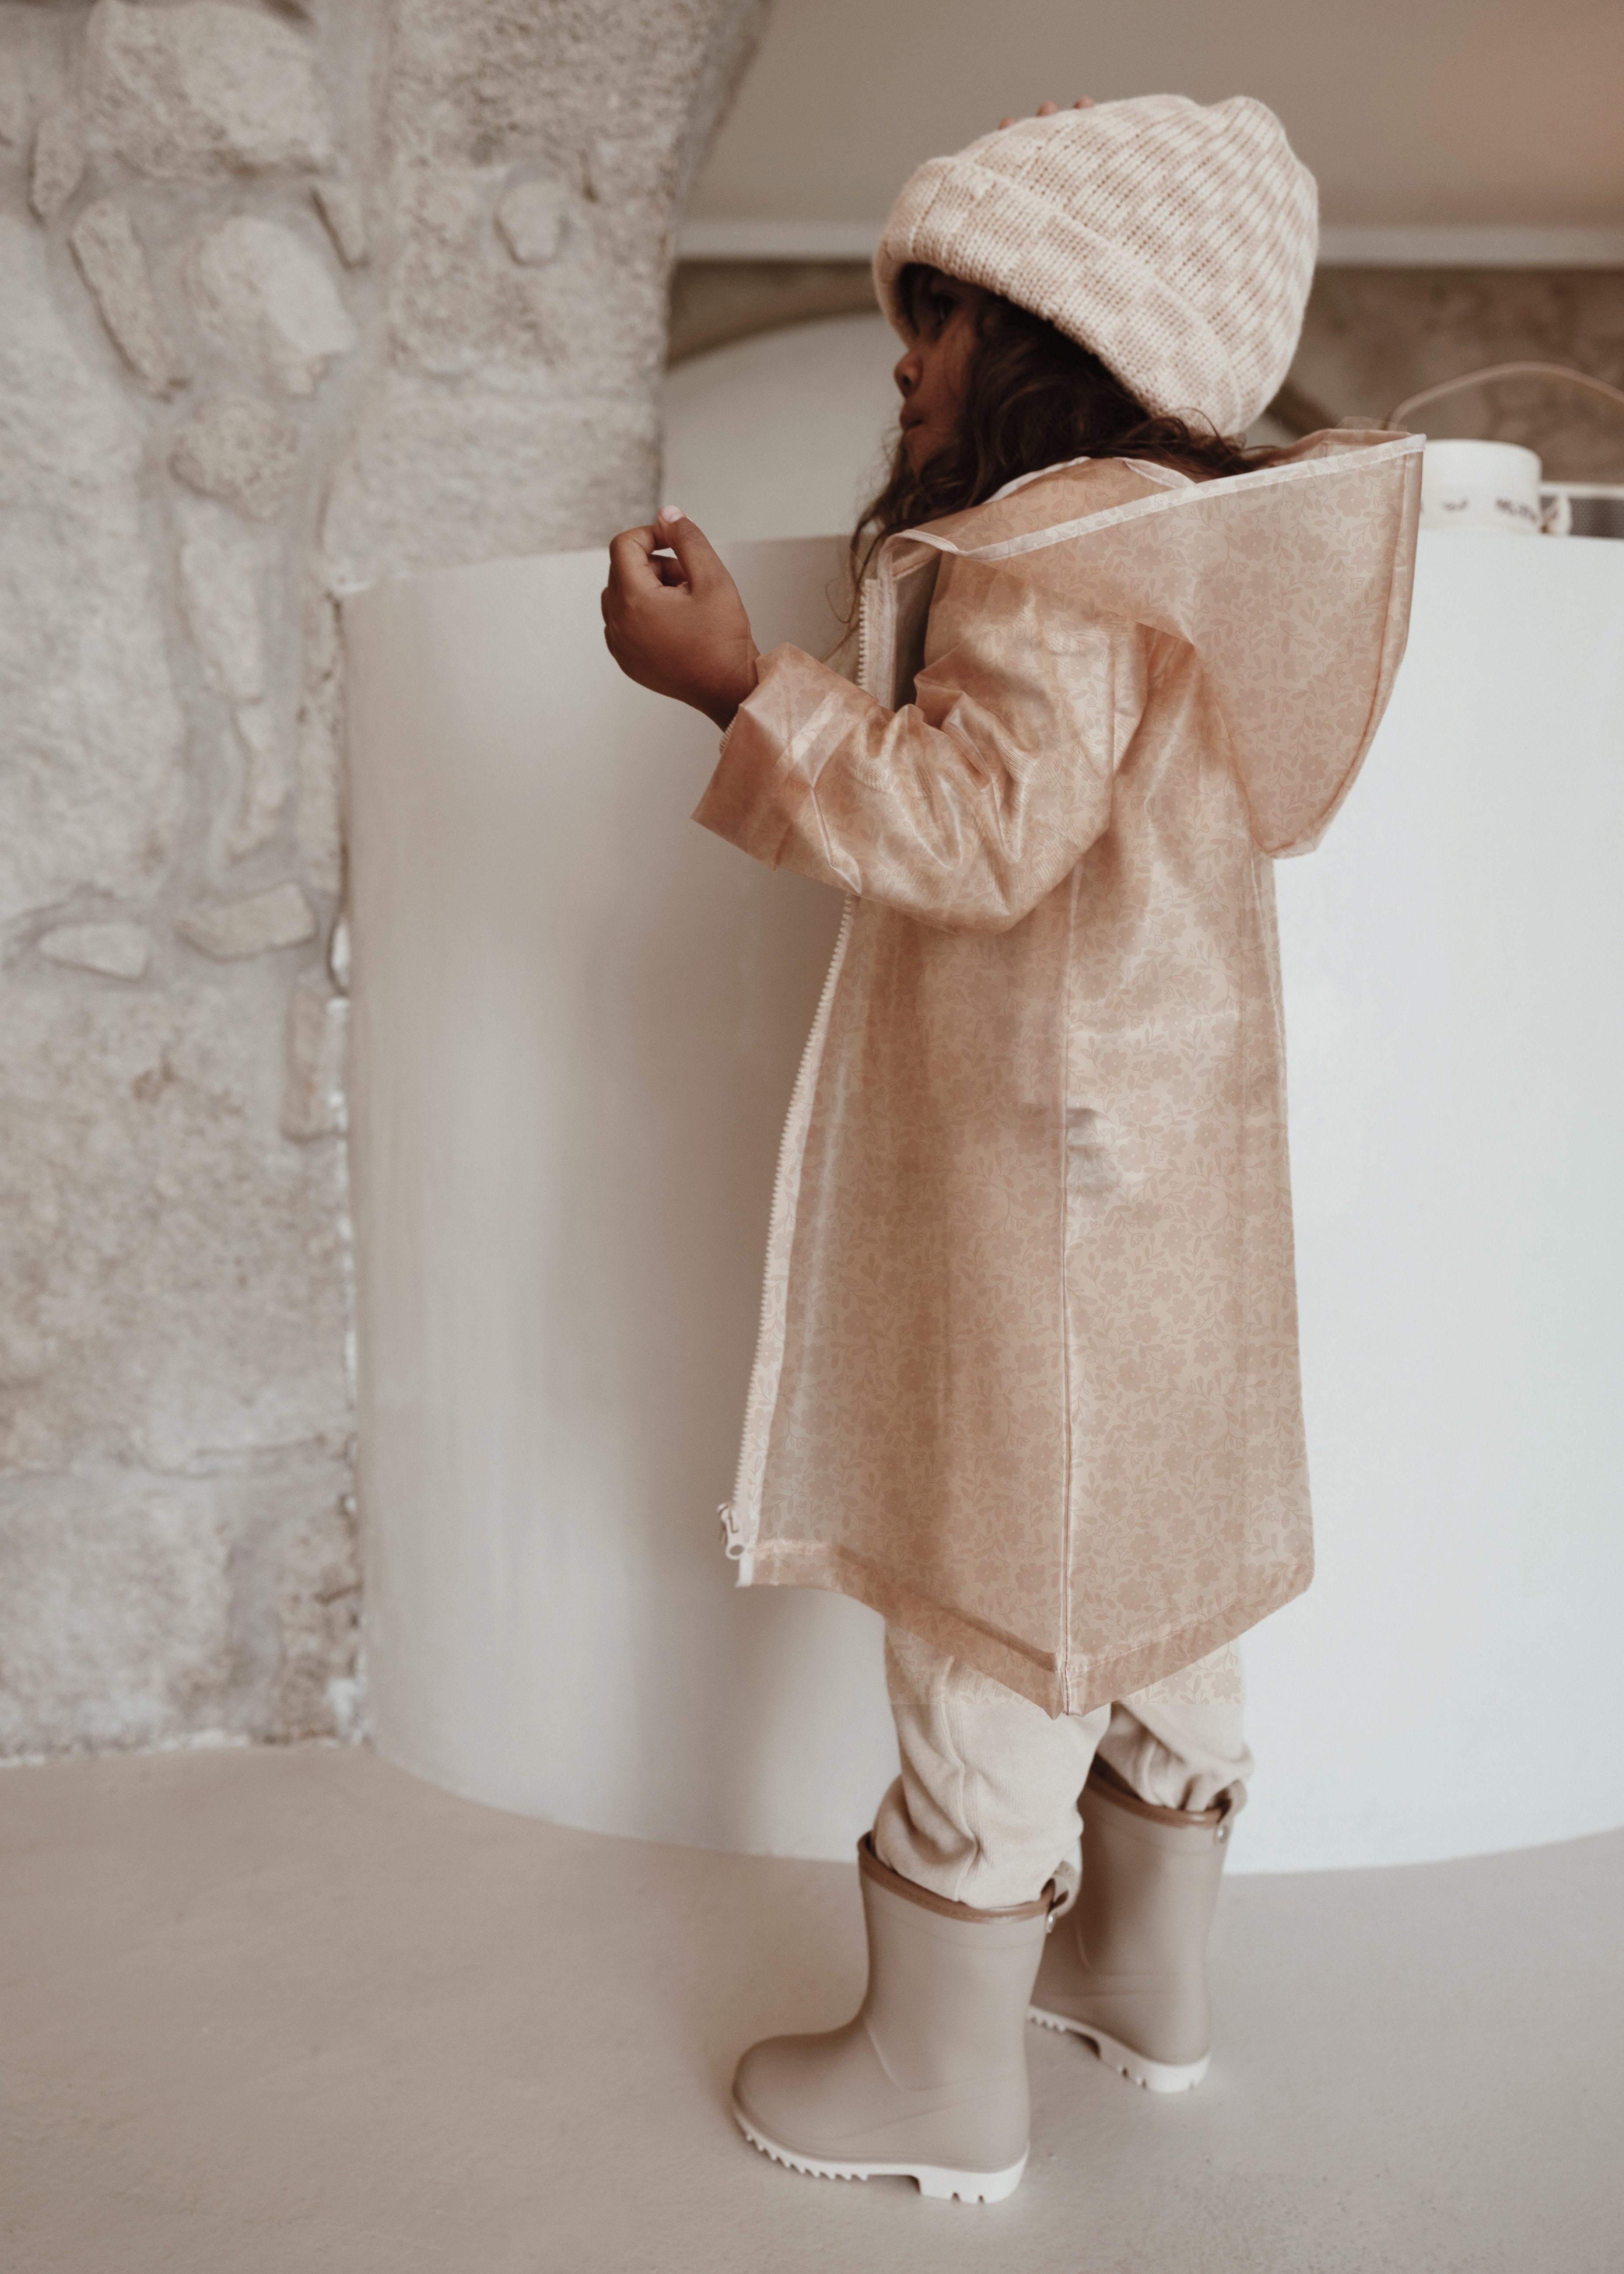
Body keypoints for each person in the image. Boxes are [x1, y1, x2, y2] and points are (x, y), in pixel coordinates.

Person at [602, 92, 1421, 2204]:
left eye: (941, 311)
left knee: (998, 1578)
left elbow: (980, 832)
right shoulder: (1190, 545)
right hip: (1164, 1160)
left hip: (1050, 1170)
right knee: (1152, 1563)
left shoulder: (1053, 552)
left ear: (1060, 323)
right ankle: (1143, 1979)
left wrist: (738, 691)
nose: (904, 352)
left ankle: (935, 2081)